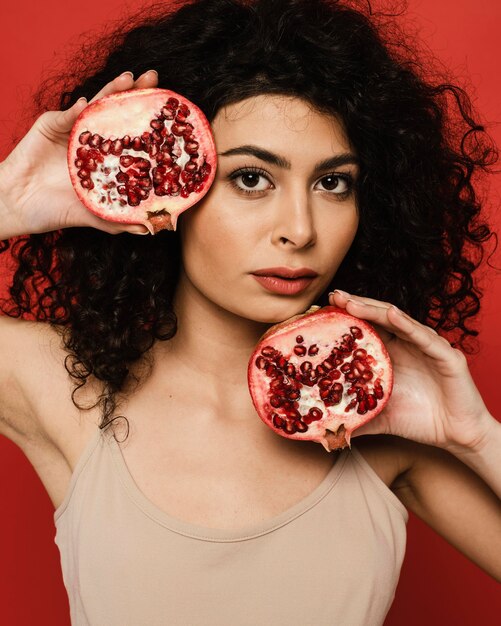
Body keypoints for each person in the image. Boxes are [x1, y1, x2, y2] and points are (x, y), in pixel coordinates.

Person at [0, 0, 500, 624]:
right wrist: (8, 203)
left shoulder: (375, 421)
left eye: (333, 183)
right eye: (253, 179)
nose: (299, 230)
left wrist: (481, 438)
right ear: (173, 182)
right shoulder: (62, 384)